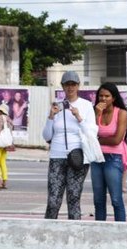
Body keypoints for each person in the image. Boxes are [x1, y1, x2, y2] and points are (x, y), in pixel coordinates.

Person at [42, 72, 96, 219]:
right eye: (67, 84)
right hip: (57, 155)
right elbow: (47, 136)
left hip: (77, 156)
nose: (70, 87)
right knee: (53, 200)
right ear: (63, 86)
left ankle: (75, 232)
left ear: (78, 86)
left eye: (73, 84)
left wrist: (79, 117)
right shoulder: (57, 106)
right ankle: (48, 230)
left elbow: (92, 131)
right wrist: (51, 116)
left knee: (73, 198)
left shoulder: (86, 105)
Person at [92, 82, 127, 221]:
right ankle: (100, 230)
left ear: (113, 98)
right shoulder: (95, 112)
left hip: (113, 158)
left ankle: (121, 230)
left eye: (107, 96)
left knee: (116, 199)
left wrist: (97, 141)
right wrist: (96, 115)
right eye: (101, 96)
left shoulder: (121, 113)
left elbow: (117, 139)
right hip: (96, 157)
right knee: (98, 200)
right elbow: (91, 134)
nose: (103, 99)